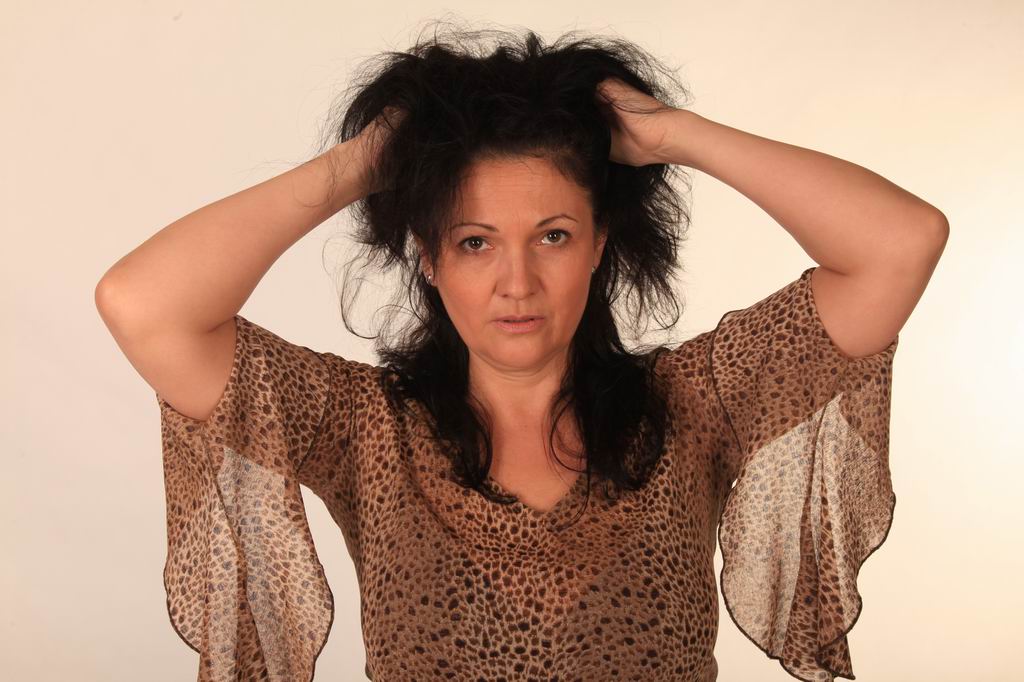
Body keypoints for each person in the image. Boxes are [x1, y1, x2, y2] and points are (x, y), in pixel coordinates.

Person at [95, 23, 946, 682]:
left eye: (553, 235)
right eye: (475, 242)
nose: (517, 282)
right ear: (428, 258)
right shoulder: (365, 429)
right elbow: (145, 306)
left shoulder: (692, 402)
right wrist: (370, 162)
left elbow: (900, 243)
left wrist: (673, 135)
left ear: (600, 243)